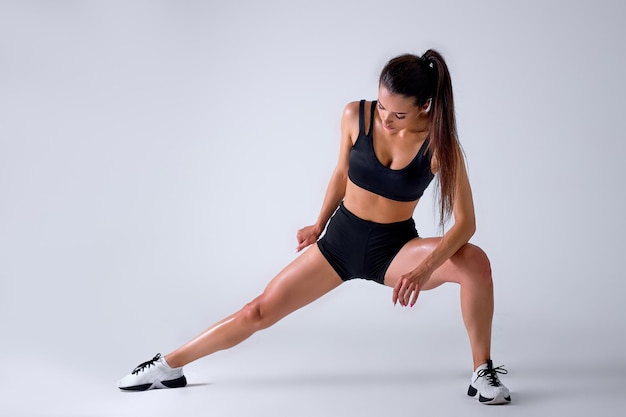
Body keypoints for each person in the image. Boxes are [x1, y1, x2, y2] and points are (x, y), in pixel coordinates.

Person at [117, 49, 511, 405]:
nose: (386, 120)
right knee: (256, 311)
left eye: (399, 115)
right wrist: (319, 223)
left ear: (425, 105)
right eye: (382, 108)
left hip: (395, 252)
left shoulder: (441, 144)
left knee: (475, 262)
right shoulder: (355, 115)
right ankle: (168, 365)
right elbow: (342, 172)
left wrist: (424, 268)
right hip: (340, 240)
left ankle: (483, 371)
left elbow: (466, 223)